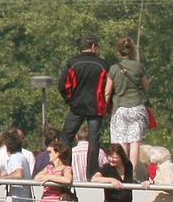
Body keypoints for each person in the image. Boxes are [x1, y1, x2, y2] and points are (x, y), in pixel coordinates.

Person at [106, 38, 150, 175]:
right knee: (135, 142)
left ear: (118, 52)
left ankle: (122, 173)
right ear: (132, 51)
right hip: (137, 107)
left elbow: (107, 91)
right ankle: (133, 173)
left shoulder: (114, 69)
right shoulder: (138, 67)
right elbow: (146, 86)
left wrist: (106, 106)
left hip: (120, 108)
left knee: (122, 141)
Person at [58, 34, 109, 152]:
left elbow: (62, 85)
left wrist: (69, 100)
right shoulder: (103, 65)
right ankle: (93, 169)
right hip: (96, 106)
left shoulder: (73, 63)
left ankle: (66, 166)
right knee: (94, 140)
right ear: (93, 46)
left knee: (66, 138)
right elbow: (108, 87)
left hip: (76, 105)